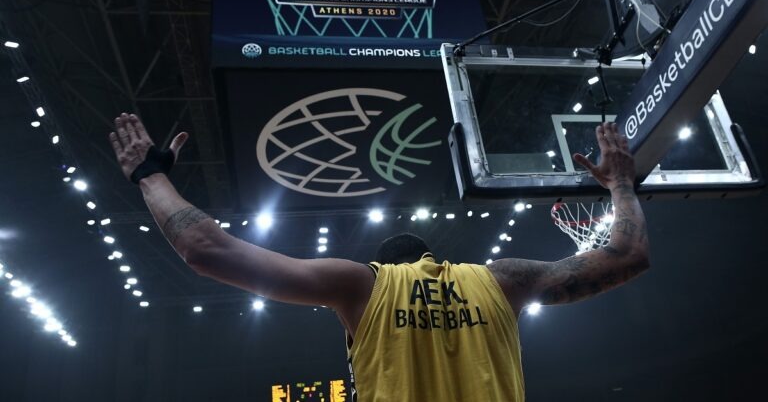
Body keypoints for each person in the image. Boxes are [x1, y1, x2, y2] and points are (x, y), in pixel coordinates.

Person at [109, 113, 649, 402]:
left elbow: (205, 250)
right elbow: (627, 255)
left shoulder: (361, 287)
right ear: (434, 258)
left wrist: (149, 176)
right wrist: (621, 182)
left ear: (384, 267)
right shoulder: (502, 281)